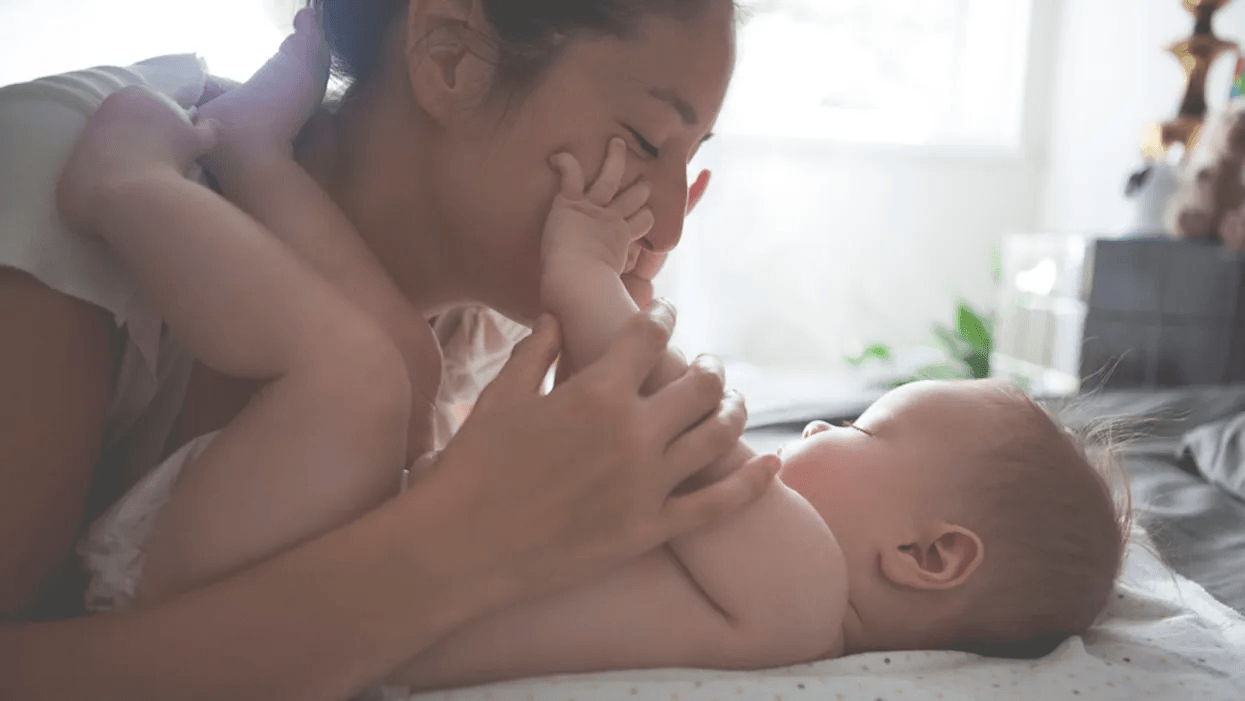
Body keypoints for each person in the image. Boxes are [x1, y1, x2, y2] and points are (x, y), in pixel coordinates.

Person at [65, 20, 1129, 691]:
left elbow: (662, 414)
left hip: (246, 612)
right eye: (655, 139)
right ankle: (254, 157)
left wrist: (586, 279)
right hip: (298, 565)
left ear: (928, 556)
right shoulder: (755, 588)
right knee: (398, 364)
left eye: (860, 425)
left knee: (356, 380)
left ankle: (131, 191)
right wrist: (613, 316)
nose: (808, 425)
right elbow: (600, 430)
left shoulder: (802, 590)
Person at [0, 1, 776, 698]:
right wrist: (462, 545)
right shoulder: (68, 183)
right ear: (449, 56)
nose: (668, 228)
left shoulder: (474, 327)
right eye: (645, 140)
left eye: (692, 157)